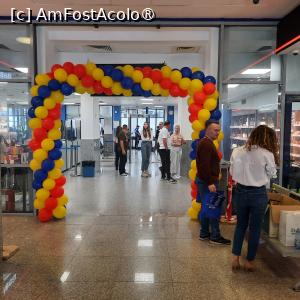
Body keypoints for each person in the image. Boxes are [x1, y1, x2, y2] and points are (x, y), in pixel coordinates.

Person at [230, 125, 278, 271]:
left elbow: (232, 172)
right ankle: (250, 261)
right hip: (258, 193)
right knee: (255, 228)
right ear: (267, 138)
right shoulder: (267, 154)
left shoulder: (237, 151)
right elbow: (272, 174)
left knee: (240, 226)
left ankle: (235, 258)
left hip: (240, 192)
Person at [196, 120, 231, 245]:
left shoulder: (206, 142)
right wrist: (210, 182)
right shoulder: (206, 144)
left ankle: (204, 233)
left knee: (206, 207)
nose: (218, 132)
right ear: (207, 130)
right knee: (213, 208)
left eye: (219, 130)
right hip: (207, 182)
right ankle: (215, 236)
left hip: (204, 180)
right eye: (215, 130)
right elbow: (204, 165)